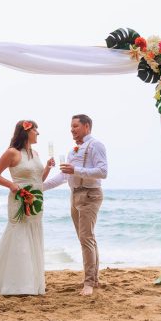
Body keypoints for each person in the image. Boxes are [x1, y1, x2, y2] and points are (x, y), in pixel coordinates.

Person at [0, 120, 54, 295]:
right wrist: (11, 185)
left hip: (35, 200)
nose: (38, 133)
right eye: (36, 130)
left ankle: (32, 282)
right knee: (19, 235)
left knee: (33, 235)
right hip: (19, 199)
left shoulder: (35, 153)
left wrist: (48, 168)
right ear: (26, 131)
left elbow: (37, 180)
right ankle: (17, 285)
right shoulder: (12, 153)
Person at [43, 114, 107, 296]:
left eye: (75, 126)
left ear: (86, 126)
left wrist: (76, 169)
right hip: (75, 195)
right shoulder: (72, 151)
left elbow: (103, 172)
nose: (72, 130)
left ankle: (88, 283)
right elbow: (63, 177)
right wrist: (40, 188)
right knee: (86, 239)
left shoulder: (96, 145)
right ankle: (94, 280)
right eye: (71, 127)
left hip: (90, 195)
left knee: (86, 239)